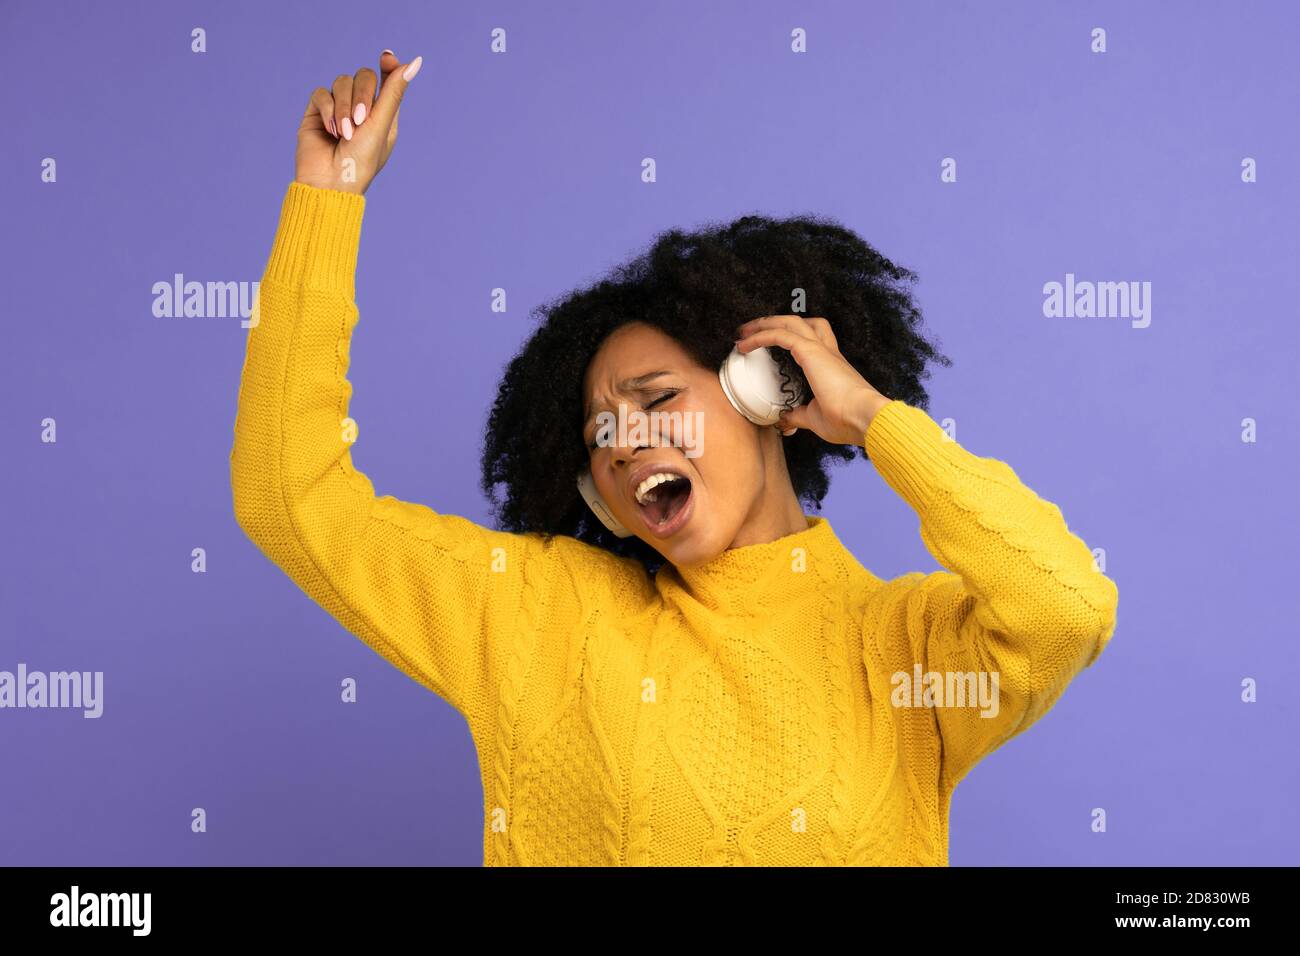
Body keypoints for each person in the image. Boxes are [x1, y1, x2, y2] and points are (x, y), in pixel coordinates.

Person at [231, 50, 1119, 866]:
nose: (624, 441)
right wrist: (329, 198)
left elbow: (1065, 607)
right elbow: (287, 492)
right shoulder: (538, 616)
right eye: (599, 434)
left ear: (766, 392)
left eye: (657, 400)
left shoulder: (904, 651)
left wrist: (873, 419)